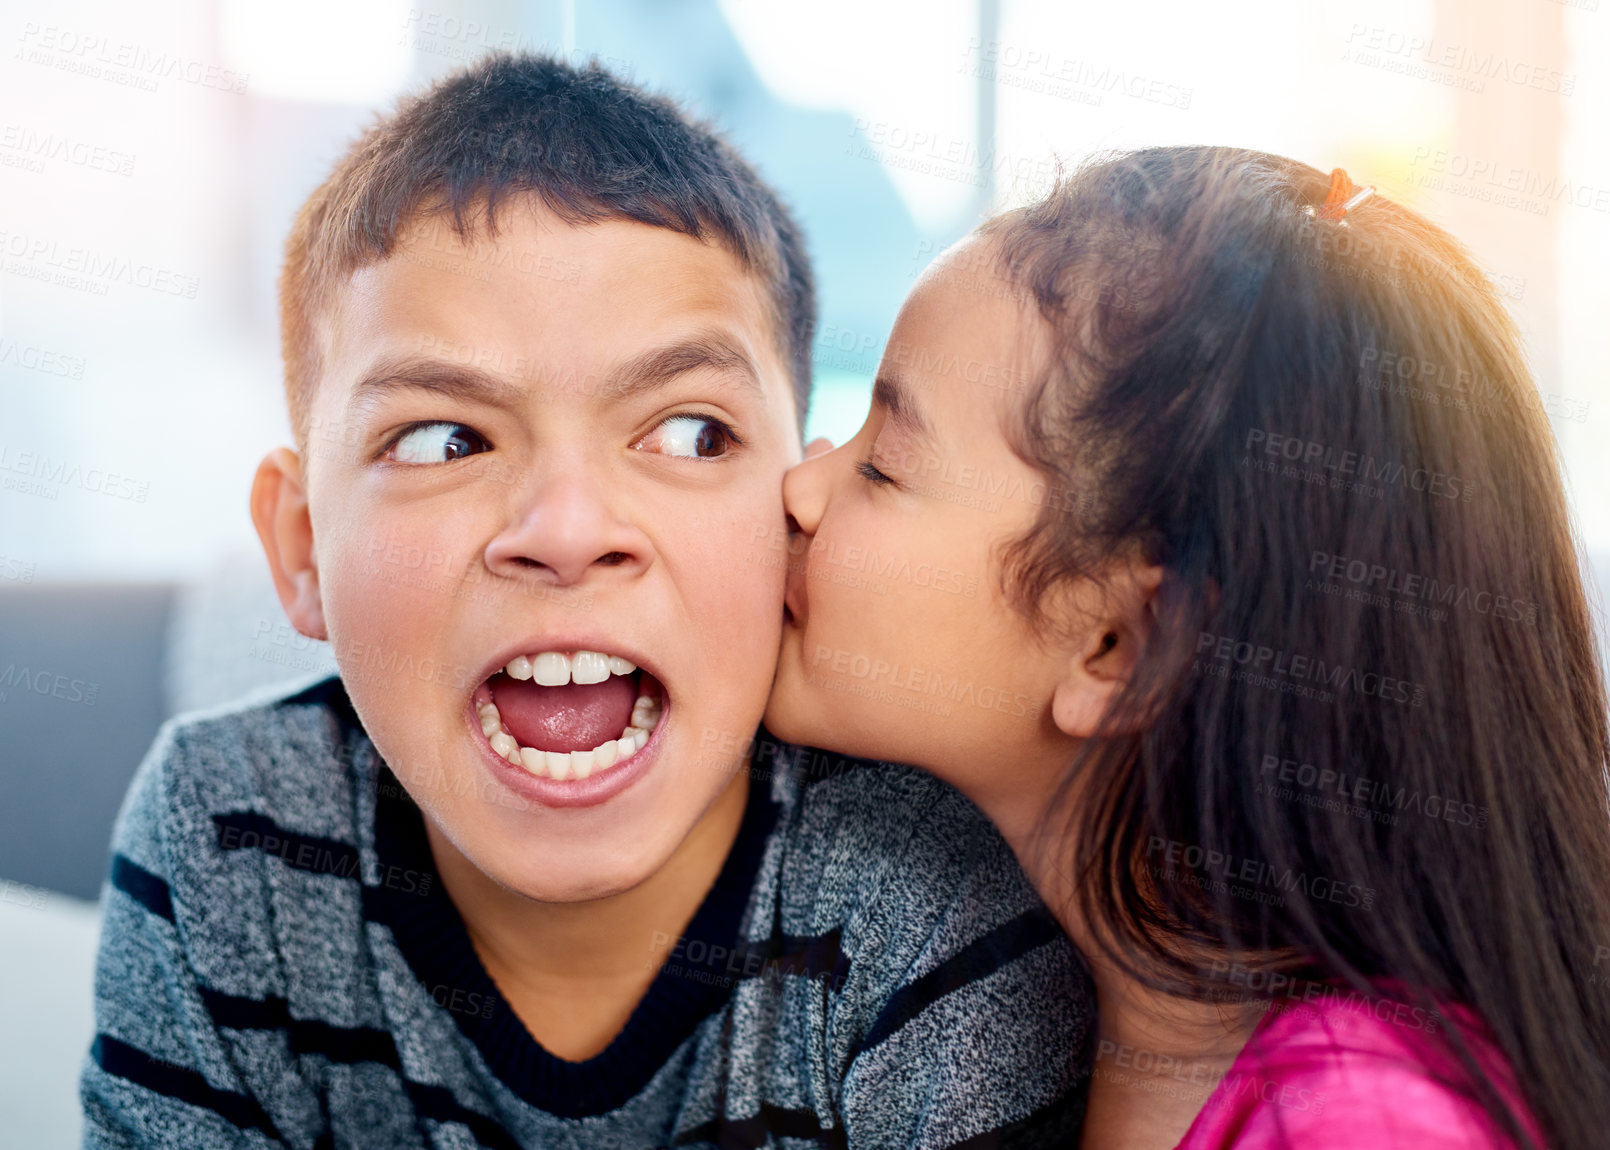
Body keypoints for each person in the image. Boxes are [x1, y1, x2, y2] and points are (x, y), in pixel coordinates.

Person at [80, 54, 1095, 1148]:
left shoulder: (926, 891)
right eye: (442, 439)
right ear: (301, 549)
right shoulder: (223, 834)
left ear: (797, 517)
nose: (566, 531)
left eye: (688, 433)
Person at [766, 146, 1610, 1149]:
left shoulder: (1361, 1128)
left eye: (881, 465)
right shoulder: (1050, 1007)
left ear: (1118, 648)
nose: (799, 484)